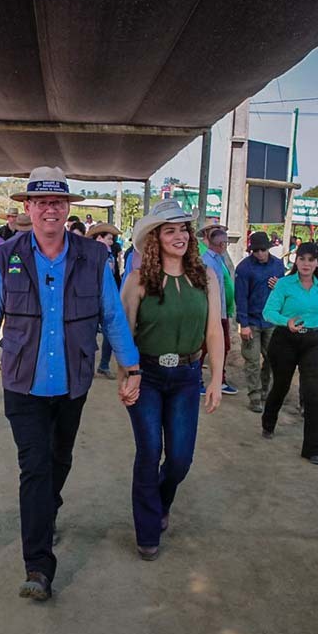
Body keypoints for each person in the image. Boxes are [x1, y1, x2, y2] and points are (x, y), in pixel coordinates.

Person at [0, 166, 141, 602]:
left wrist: (129, 367)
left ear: (67, 209)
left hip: (72, 381)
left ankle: (48, 508)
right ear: (27, 207)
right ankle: (38, 566)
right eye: (41, 202)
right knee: (35, 466)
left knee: (59, 459)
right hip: (22, 382)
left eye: (57, 202)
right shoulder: (6, 255)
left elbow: (112, 317)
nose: (49, 209)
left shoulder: (93, 258)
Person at [120, 199, 223, 560]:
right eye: (170, 230)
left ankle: (161, 501)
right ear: (155, 238)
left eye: (183, 229)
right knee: (149, 451)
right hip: (146, 375)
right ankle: (147, 530)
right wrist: (127, 376)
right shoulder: (138, 281)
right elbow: (124, 335)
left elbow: (214, 332)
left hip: (186, 377)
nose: (179, 236)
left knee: (179, 458)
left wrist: (215, 378)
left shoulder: (206, 277)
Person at [260, 241, 318, 465]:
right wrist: (287, 321)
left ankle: (313, 449)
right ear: (296, 261)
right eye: (302, 259)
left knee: (311, 393)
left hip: (313, 343)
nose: (306, 264)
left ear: (317, 263)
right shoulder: (285, 284)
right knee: (282, 386)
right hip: (285, 340)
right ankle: (268, 422)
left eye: (311, 259)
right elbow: (269, 312)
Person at [235, 231, 286, 413]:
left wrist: (279, 286)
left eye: (262, 250)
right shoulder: (244, 269)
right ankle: (254, 395)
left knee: (273, 358)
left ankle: (265, 389)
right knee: (252, 360)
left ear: (268, 249)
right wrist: (244, 324)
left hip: (271, 320)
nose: (260, 254)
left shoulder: (279, 266)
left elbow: (286, 289)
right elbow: (240, 297)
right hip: (253, 320)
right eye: (256, 251)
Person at [200, 226, 238, 395]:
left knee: (223, 346)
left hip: (221, 310)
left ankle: (219, 379)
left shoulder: (218, 260)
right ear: (222, 244)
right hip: (211, 313)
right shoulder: (207, 261)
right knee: (203, 348)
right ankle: (198, 379)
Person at [89, 223, 122, 378]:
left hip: (106, 298)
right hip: (91, 299)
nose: (111, 242)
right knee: (88, 334)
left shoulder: (110, 253)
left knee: (109, 334)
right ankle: (88, 367)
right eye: (109, 238)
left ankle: (103, 364)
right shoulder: (89, 254)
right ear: (99, 238)